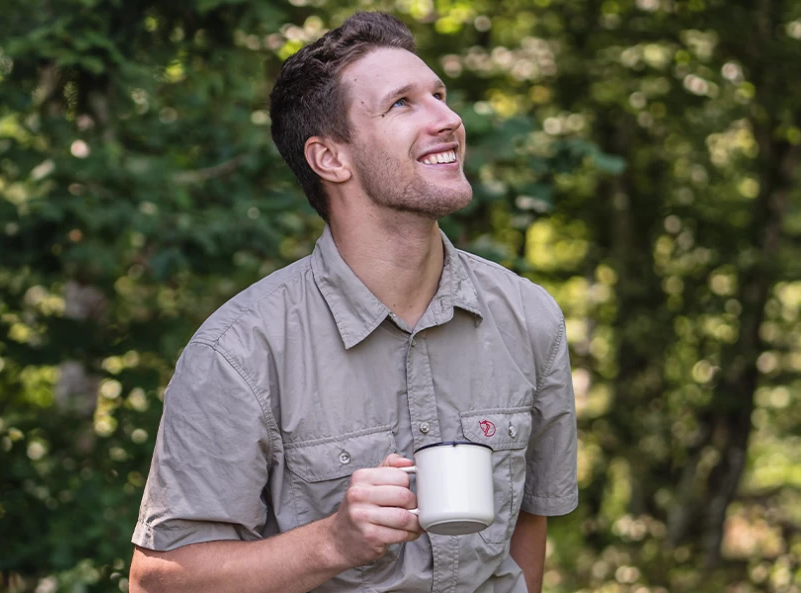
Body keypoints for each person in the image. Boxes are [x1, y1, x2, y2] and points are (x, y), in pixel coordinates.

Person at [127, 11, 578, 593]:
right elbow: (158, 582)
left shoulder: (530, 317)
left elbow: (529, 524)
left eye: (440, 95)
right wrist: (332, 542)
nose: (449, 119)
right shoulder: (238, 351)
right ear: (330, 159)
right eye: (403, 104)